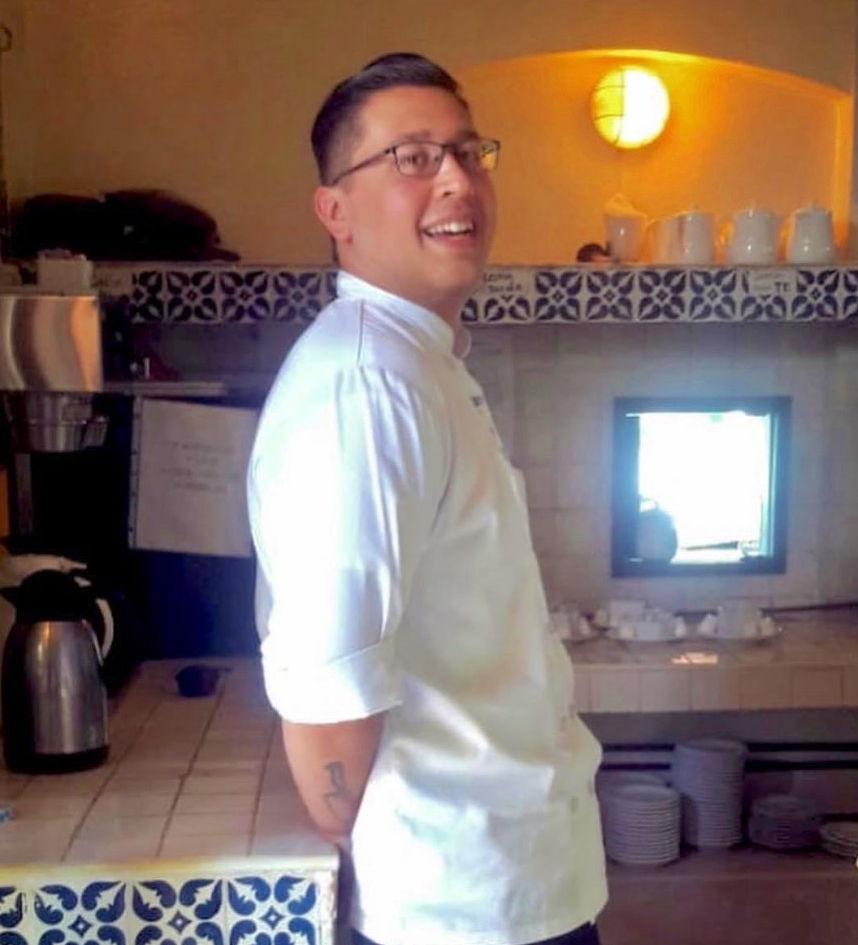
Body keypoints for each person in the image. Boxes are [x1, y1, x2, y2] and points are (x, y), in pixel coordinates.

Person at [247, 52, 607, 945]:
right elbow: (329, 695)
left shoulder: (418, 362)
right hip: (457, 907)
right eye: (411, 157)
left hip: (508, 884)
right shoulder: (367, 385)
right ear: (335, 211)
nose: (456, 179)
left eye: (468, 152)